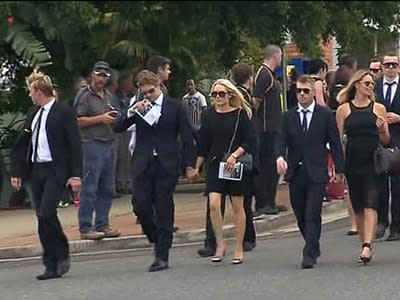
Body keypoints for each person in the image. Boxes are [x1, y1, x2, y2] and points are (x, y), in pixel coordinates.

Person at [114, 71, 196, 272]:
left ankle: (162, 255)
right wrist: (133, 111)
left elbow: (187, 138)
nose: (148, 95)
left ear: (159, 85)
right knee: (140, 206)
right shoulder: (140, 106)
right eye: (145, 92)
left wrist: (189, 165)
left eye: (151, 91)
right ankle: (155, 236)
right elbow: (118, 127)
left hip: (166, 164)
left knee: (163, 208)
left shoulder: (175, 107)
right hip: (143, 162)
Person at [10, 71, 82, 280]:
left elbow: (75, 145)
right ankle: (51, 263)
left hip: (55, 170)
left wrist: (75, 175)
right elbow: (21, 144)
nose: (29, 96)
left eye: (31, 91)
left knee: (46, 213)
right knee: (42, 217)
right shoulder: (33, 113)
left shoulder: (63, 112)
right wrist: (17, 172)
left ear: (39, 92)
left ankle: (60, 253)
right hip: (36, 170)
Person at [276, 74, 345, 269]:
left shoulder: (324, 115)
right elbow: (281, 139)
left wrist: (340, 170)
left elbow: (335, 143)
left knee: (312, 212)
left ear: (313, 93)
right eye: (299, 91)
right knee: (300, 214)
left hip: (317, 171)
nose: (302, 95)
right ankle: (313, 243)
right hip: (296, 172)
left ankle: (309, 253)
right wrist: (280, 157)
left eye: (306, 91)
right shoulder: (288, 116)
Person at [192, 79, 256, 265]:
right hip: (214, 164)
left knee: (238, 206)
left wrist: (235, 155)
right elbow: (203, 143)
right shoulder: (209, 115)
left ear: (230, 94)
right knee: (213, 204)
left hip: (233, 165)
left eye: (221, 93)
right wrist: (196, 167)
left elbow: (249, 140)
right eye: (215, 94)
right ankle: (220, 244)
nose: (218, 98)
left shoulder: (240, 115)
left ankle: (238, 247)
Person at [336, 70, 389, 264]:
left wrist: (382, 128)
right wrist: (339, 167)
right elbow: (339, 140)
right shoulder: (344, 110)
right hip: (352, 161)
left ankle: (367, 245)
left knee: (370, 202)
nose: (370, 87)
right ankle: (364, 243)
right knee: (358, 206)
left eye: (372, 84)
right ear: (356, 85)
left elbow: (386, 140)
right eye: (366, 83)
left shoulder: (378, 108)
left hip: (372, 161)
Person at [74, 61, 120, 240]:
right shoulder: (84, 95)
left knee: (107, 187)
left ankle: (103, 224)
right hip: (91, 144)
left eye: (104, 75)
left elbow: (116, 113)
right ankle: (86, 226)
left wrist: (115, 118)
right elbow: (78, 120)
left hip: (109, 143)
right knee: (90, 187)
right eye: (98, 74)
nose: (101, 78)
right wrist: (101, 118)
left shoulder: (109, 95)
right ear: (92, 75)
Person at [253, 44, 286, 218]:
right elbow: (256, 100)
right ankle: (262, 203)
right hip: (265, 129)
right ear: (275, 56)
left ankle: (270, 201)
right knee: (266, 166)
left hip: (273, 127)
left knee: (272, 167)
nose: (281, 60)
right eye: (280, 56)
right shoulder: (264, 74)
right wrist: (255, 123)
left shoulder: (270, 75)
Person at [374, 53, 400, 241]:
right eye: (387, 65)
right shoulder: (374, 87)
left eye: (394, 64)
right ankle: (382, 221)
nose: (390, 68)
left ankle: (396, 227)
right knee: (379, 184)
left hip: (399, 139)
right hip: (379, 141)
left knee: (397, 186)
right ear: (382, 67)